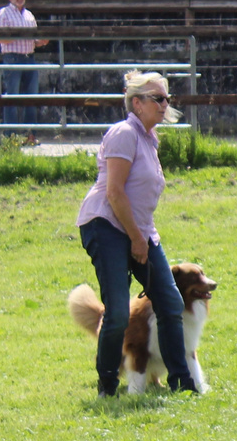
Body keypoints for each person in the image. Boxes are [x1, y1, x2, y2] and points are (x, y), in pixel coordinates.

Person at [75, 72, 200, 396]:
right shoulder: (123, 134)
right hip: (106, 224)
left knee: (170, 301)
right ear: (137, 102)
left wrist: (143, 237)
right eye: (158, 98)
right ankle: (107, 384)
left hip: (140, 229)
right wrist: (135, 239)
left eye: (167, 99)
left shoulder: (149, 137)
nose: (165, 104)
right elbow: (115, 194)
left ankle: (182, 383)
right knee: (117, 312)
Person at [0, 0, 47, 131]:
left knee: (32, 97)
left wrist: (41, 42)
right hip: (13, 57)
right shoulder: (3, 14)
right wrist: (18, 35)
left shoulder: (29, 15)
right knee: (12, 97)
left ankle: (29, 134)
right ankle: (11, 135)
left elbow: (34, 40)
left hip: (30, 57)